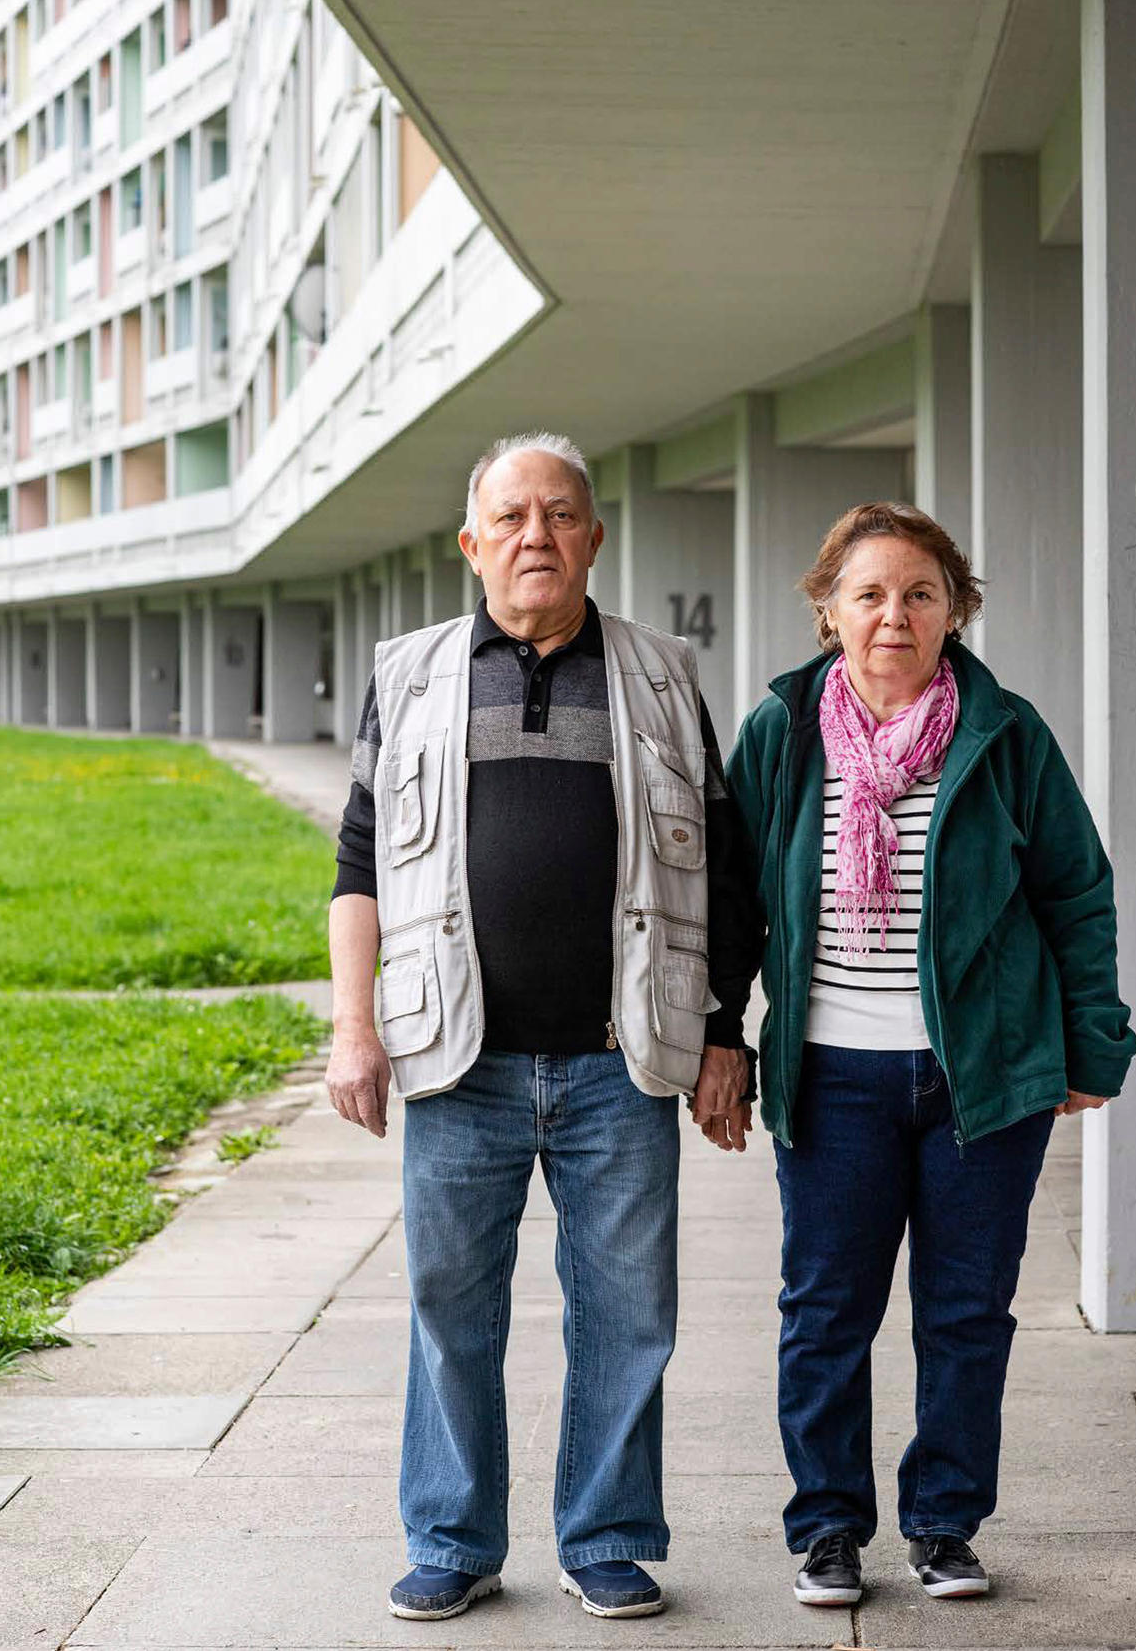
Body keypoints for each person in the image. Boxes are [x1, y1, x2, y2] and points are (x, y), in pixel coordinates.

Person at [324, 432, 761, 1624]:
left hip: (621, 1060)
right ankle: (454, 1538)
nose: (536, 536)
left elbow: (726, 869)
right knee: (448, 1308)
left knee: (629, 1315)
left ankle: (607, 1535)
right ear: (472, 544)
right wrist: (350, 1024)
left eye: (560, 515)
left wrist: (725, 1029)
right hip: (454, 1059)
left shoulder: (663, 673)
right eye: (511, 517)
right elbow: (360, 862)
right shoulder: (409, 674)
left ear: (594, 538)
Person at [726, 501, 1136, 1608]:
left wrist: (1094, 1043)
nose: (893, 616)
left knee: (965, 1314)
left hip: (982, 1077)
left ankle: (945, 1525)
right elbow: (729, 902)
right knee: (825, 1313)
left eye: (919, 593)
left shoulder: (1004, 734)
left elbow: (1074, 896)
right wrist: (722, 1036)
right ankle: (826, 1531)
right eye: (868, 594)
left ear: (955, 610)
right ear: (828, 612)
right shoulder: (782, 733)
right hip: (833, 1075)